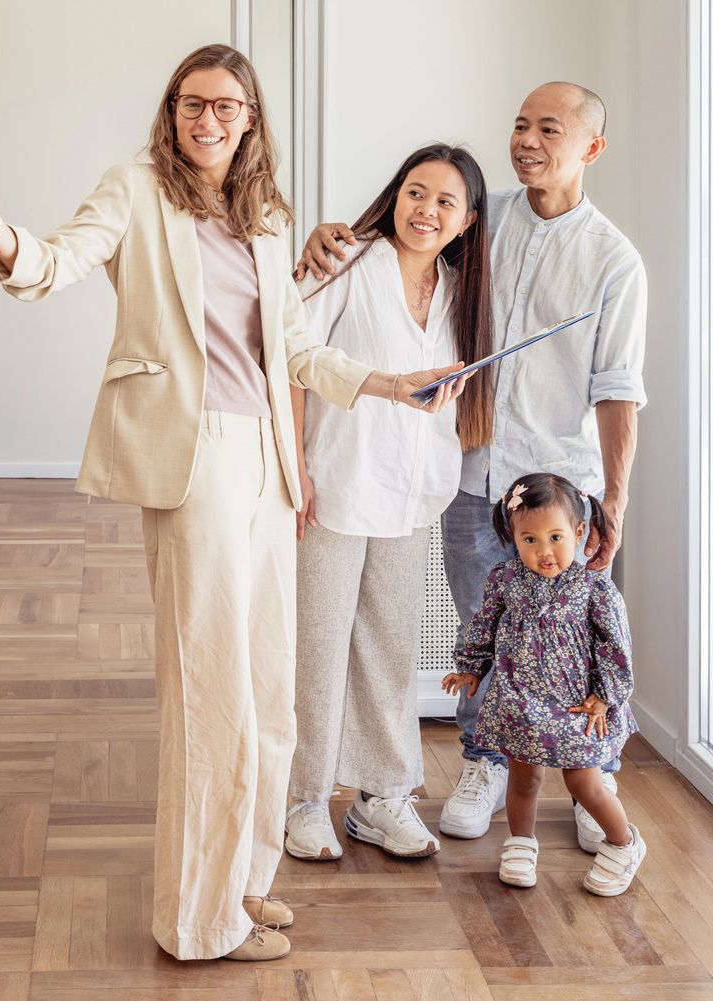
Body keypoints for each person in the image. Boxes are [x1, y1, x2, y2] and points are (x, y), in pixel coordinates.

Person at [0, 44, 468, 963]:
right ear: (172, 112)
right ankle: (197, 920)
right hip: (193, 453)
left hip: (269, 459)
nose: (205, 120)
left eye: (224, 106)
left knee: (270, 693)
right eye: (189, 103)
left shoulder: (263, 213)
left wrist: (385, 382)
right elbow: (54, 260)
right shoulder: (135, 187)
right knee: (211, 691)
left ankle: (244, 885)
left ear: (251, 118)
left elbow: (295, 352)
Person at [295, 81, 647, 850]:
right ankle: (475, 761)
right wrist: (328, 237)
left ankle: (594, 777)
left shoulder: (609, 260)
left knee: (574, 636)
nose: (527, 139)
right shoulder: (476, 235)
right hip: (464, 480)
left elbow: (620, 389)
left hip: (551, 492)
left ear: (591, 147)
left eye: (548, 128)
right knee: (478, 634)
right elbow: (326, 312)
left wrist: (613, 498)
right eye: (519, 124)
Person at [284, 144, 493, 862]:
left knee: (390, 649)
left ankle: (382, 795)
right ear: (394, 195)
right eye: (415, 192)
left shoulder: (463, 290)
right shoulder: (347, 260)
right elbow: (290, 353)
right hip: (335, 484)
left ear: (467, 221)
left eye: (444, 201)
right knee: (317, 647)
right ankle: (304, 796)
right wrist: (295, 466)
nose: (425, 210)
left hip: (412, 493)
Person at [443, 473, 645, 896]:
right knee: (523, 778)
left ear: (577, 532)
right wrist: (472, 668)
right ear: (512, 537)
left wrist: (604, 697)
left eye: (555, 537)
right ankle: (520, 843)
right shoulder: (506, 579)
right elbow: (484, 626)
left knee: (583, 782)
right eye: (529, 540)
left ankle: (625, 842)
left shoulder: (592, 589)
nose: (544, 551)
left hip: (575, 704)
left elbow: (615, 647)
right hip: (521, 701)